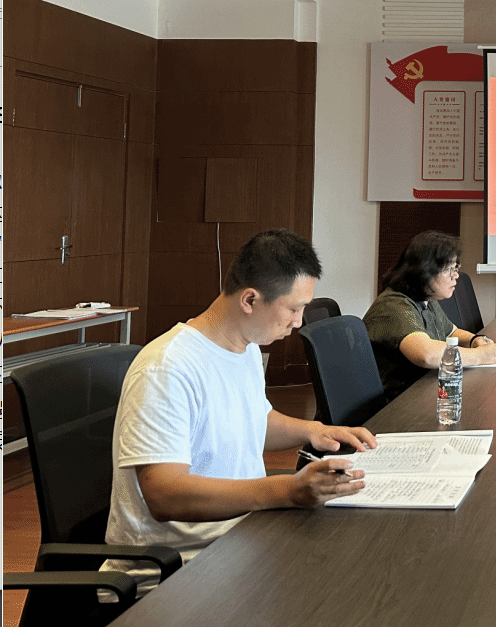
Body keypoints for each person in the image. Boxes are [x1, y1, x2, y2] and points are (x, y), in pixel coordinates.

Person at [104, 229, 379, 596]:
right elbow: (164, 494)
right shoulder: (167, 368)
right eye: (293, 309)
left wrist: (314, 430)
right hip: (177, 573)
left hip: (243, 541)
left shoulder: (246, 348)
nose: (298, 322)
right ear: (250, 299)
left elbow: (254, 421)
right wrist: (287, 490)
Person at [363, 231, 496, 402]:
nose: (456, 275)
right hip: (397, 405)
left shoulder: (425, 299)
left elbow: (451, 332)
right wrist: (480, 356)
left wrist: (475, 340)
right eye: (449, 270)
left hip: (422, 392)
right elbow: (426, 355)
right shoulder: (393, 306)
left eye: (456, 268)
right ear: (425, 271)